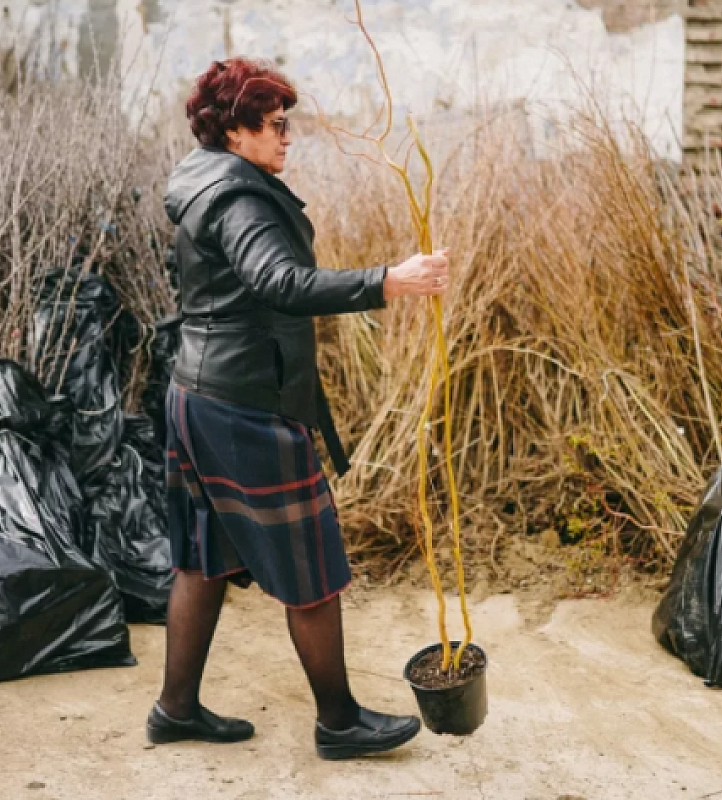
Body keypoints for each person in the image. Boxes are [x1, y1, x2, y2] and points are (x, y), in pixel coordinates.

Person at [146, 57, 450, 761]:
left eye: (287, 122)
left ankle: (176, 708)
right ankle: (339, 721)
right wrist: (389, 281)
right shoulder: (242, 198)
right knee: (309, 562)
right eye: (274, 124)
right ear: (234, 129)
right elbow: (280, 282)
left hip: (195, 392)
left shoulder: (199, 180)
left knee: (204, 558)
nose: (288, 136)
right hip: (244, 404)